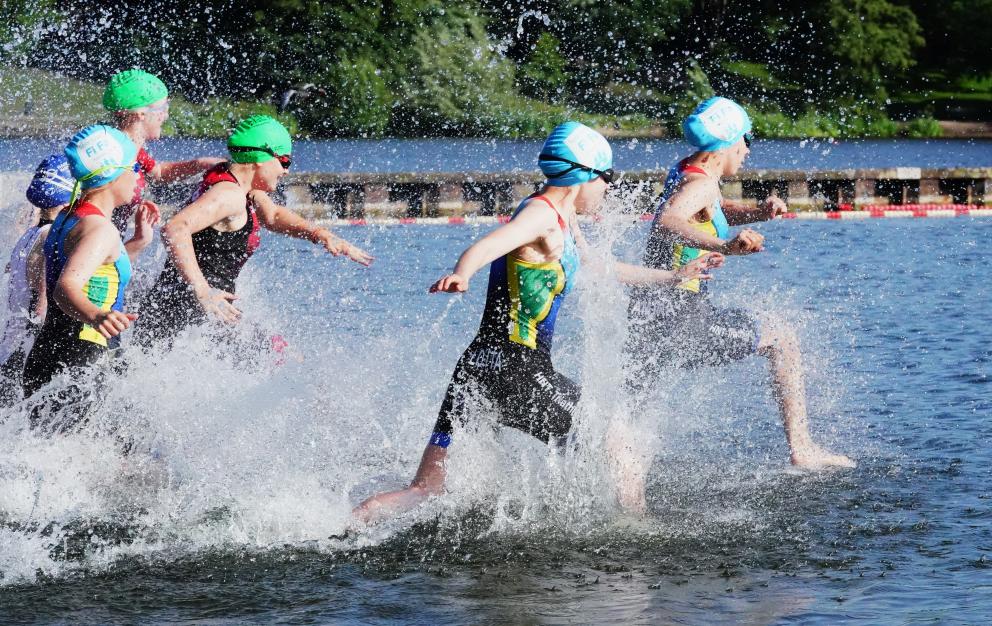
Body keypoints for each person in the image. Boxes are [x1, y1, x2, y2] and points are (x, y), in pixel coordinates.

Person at [352, 122, 724, 525]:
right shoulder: (541, 215)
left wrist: (672, 276)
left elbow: (596, 267)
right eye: (607, 177)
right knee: (620, 439)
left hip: (476, 367)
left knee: (425, 489)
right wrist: (464, 272)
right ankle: (637, 532)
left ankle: (345, 527)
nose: (609, 189)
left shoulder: (561, 218)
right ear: (583, 174)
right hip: (518, 369)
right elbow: (493, 242)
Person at [626, 96, 854, 469]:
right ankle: (802, 449)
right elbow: (667, 220)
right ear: (731, 140)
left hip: (648, 314)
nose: (748, 151)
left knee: (630, 425)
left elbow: (709, 208)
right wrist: (725, 246)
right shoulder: (699, 185)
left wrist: (758, 212)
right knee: (782, 337)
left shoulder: (690, 171)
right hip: (681, 319)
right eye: (748, 139)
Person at [133, 115, 373, 349]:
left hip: (181, 312)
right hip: (190, 319)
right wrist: (202, 290)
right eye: (284, 161)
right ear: (261, 158)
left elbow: (273, 215)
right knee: (283, 362)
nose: (286, 171)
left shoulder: (236, 183)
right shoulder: (229, 194)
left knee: (283, 355)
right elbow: (175, 228)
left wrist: (320, 234)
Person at [21, 125, 145, 433]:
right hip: (81, 361)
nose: (138, 176)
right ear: (113, 175)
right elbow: (67, 287)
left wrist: (139, 242)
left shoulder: (67, 217)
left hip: (47, 353)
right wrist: (97, 315)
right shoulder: (101, 229)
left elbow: (96, 271)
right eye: (134, 167)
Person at [103, 69, 222, 242]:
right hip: (97, 248)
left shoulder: (131, 148)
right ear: (141, 113)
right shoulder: (113, 154)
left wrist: (198, 164)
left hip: (106, 246)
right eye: (162, 108)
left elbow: (158, 172)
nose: (166, 115)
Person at [0, 155, 75, 404]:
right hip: (23, 353)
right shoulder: (50, 238)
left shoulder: (30, 235)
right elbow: (41, 307)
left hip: (8, 350)